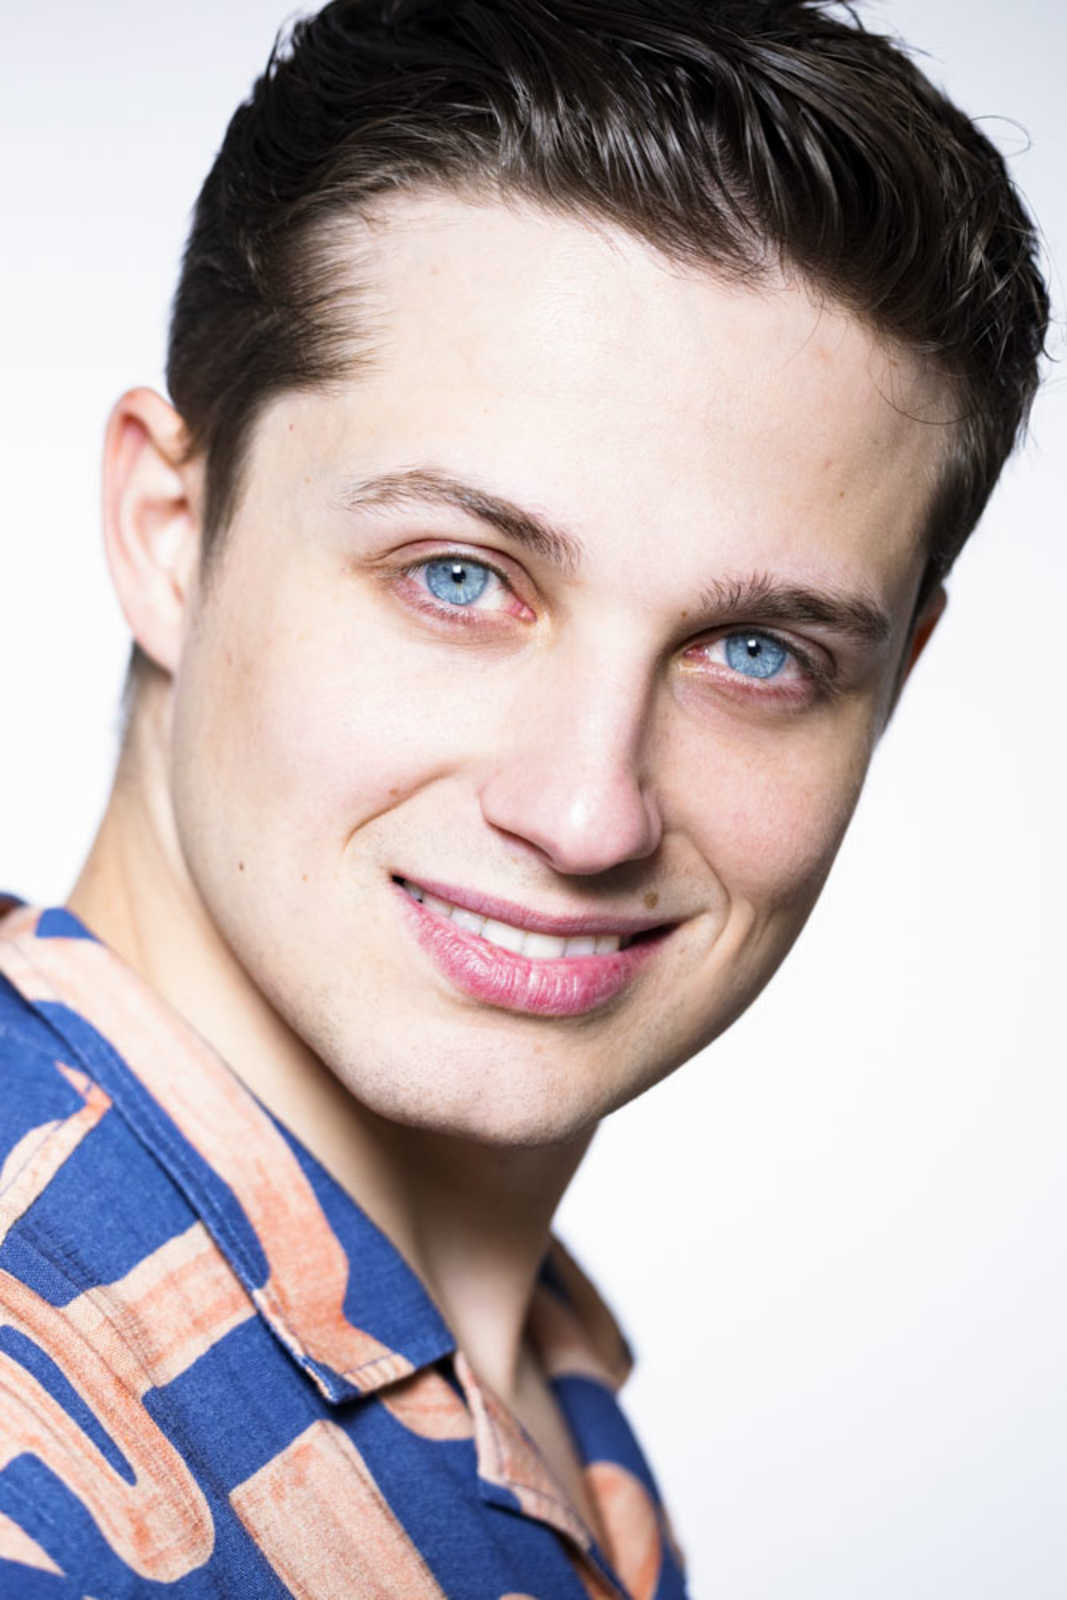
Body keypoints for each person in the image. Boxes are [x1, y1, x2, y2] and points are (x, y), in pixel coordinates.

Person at [0, 0, 1048, 1595]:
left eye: (755, 652)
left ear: (895, 677)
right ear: (168, 532)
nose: (586, 813)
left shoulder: (520, 1385)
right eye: (458, 575)